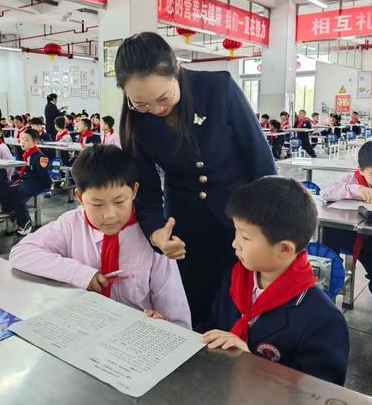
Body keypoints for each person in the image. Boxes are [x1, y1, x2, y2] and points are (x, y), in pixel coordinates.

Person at [114, 32, 276, 325]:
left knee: (241, 307)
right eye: (141, 103)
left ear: (176, 68)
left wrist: (264, 223)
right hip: (185, 226)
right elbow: (147, 192)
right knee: (194, 306)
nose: (156, 110)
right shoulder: (134, 120)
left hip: (241, 219)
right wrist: (156, 234)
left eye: (163, 98)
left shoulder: (218, 88)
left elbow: (261, 162)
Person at [9, 145, 191, 328]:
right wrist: (80, 273)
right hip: (81, 328)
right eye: (97, 204)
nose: (110, 215)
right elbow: (21, 253)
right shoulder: (71, 225)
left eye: (119, 201)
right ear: (80, 197)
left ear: (134, 192)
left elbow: (178, 317)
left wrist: (163, 323)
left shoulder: (154, 240)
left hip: (135, 337)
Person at [197, 177, 349, 385]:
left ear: (285, 249)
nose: (235, 244)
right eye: (236, 232)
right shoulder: (236, 279)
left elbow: (319, 394)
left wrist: (250, 363)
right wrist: (170, 329)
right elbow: (212, 327)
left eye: (245, 238)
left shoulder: (323, 321)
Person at [321, 140, 372, 345]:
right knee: (324, 261)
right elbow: (325, 192)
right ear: (361, 169)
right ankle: (323, 313)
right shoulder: (352, 179)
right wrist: (355, 190)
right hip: (350, 235)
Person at [0, 129, 51, 235]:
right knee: (5, 188)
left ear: (35, 142)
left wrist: (48, 186)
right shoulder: (26, 154)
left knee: (18, 196)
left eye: (27, 140)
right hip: (26, 181)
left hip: (36, 183)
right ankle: (13, 212)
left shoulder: (40, 157)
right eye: (22, 139)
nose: (23, 142)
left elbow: (42, 176)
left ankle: (26, 223)